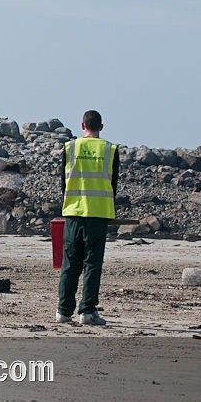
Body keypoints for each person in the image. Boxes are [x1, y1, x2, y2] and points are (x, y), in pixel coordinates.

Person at [56, 110, 120, 326]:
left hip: (74, 211)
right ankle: (88, 311)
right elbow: (114, 184)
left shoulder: (70, 147)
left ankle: (63, 311)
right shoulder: (110, 150)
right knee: (92, 264)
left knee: (70, 264)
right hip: (98, 213)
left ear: (82, 125)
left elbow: (62, 183)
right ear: (101, 127)